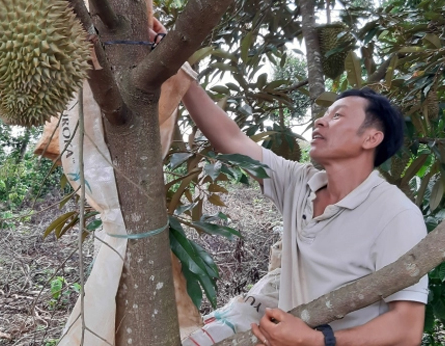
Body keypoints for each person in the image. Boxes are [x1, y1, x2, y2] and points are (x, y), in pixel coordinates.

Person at [150, 20, 428, 346]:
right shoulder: (300, 183)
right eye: (325, 114)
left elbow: (407, 329)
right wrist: (177, 67)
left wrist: (318, 339)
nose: (321, 120)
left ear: (371, 138)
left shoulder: (396, 214)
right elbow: (231, 139)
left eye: (338, 116)